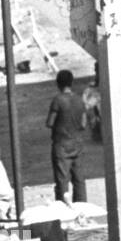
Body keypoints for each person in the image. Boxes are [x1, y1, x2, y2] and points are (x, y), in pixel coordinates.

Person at [47, 69, 88, 204]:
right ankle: (82, 207)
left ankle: (64, 208)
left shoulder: (58, 100)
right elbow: (83, 124)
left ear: (58, 83)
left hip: (61, 145)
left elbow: (50, 123)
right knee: (79, 179)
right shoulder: (79, 100)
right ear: (71, 83)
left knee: (62, 180)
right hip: (77, 144)